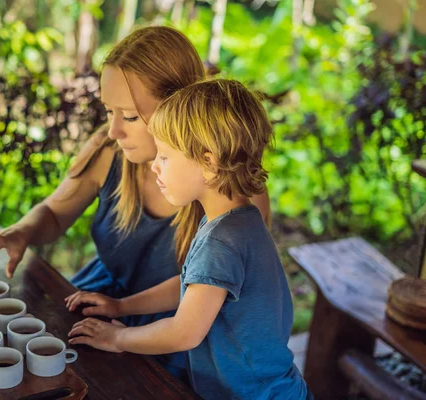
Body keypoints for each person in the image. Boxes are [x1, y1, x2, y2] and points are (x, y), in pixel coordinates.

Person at [0, 27, 271, 379]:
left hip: (178, 328)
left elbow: (198, 300)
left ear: (179, 109)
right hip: (103, 299)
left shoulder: (233, 194)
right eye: (108, 111)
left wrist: (124, 321)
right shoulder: (110, 150)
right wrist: (20, 231)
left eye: (128, 116)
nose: (112, 131)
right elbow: (53, 212)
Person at [67, 79, 311, 400]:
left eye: (165, 157)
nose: (154, 166)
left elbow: (183, 333)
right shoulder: (240, 220)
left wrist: (118, 338)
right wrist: (121, 306)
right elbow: (191, 288)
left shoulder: (222, 241)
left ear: (209, 164)